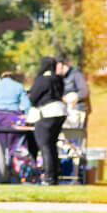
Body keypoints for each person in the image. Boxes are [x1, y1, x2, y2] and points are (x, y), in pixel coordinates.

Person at [28, 55, 68, 186]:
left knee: (44, 145)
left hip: (47, 113)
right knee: (52, 145)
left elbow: (33, 98)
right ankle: (55, 175)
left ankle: (49, 178)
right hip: (61, 112)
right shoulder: (58, 79)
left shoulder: (42, 80)